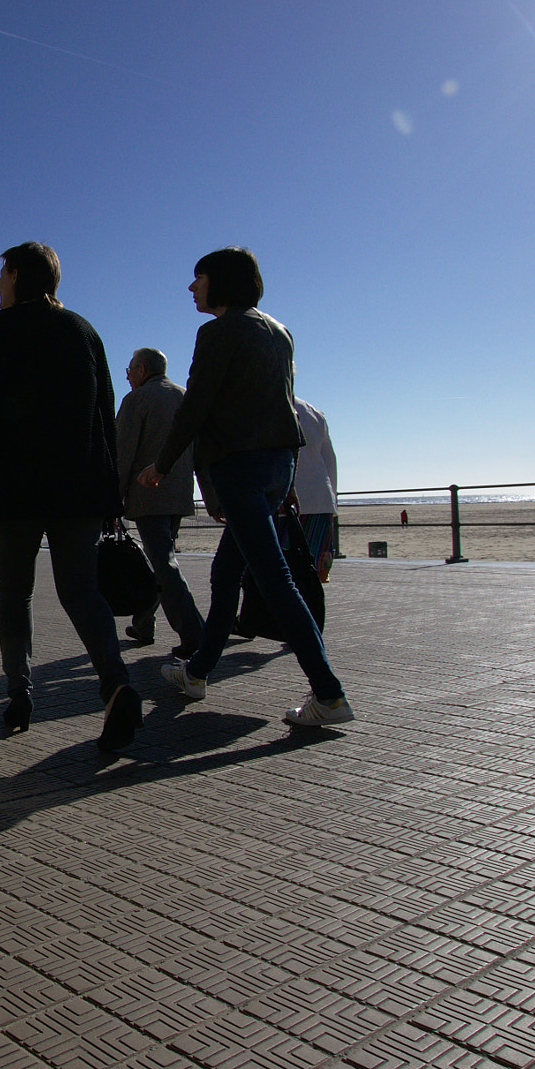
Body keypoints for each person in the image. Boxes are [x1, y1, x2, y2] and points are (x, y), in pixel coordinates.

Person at [0, 241, 141, 753]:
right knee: (81, 591)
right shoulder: (85, 330)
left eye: (2, 273)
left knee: (15, 592)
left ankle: (19, 694)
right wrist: (111, 492)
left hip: (19, 487)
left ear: (18, 275)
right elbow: (105, 413)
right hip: (81, 488)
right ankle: (115, 685)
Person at [139, 247, 355, 729]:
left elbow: (195, 406)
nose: (192, 288)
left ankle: (329, 693)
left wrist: (161, 464)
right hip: (278, 464)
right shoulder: (279, 331)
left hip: (240, 466)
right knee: (225, 572)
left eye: (199, 279)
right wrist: (288, 478)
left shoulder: (217, 331)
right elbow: (283, 406)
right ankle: (196, 673)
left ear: (221, 282)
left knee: (274, 579)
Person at [114, 347, 204, 657]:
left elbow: (122, 454)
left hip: (148, 493)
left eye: (129, 369)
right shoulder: (183, 395)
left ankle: (195, 633)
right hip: (179, 493)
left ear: (141, 370)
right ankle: (143, 622)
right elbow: (201, 451)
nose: (126, 376)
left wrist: (114, 497)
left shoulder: (137, 400)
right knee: (161, 559)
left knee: (164, 564)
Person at [293, 396, 338, 581]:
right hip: (320, 502)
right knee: (316, 573)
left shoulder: (265, 405)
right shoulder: (314, 412)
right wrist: (333, 503)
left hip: (284, 504)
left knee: (280, 573)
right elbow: (330, 463)